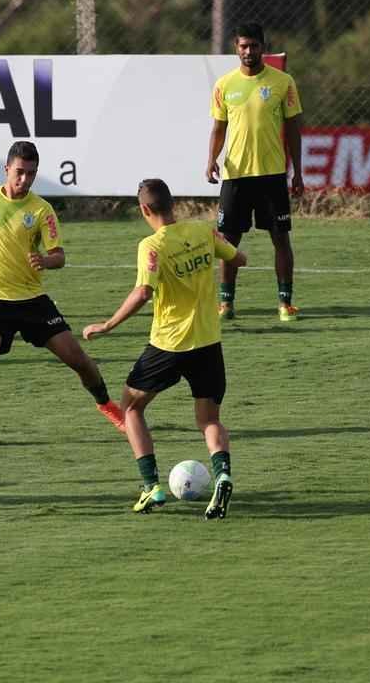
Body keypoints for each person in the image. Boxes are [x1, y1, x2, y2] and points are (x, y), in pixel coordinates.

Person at [83, 179, 247, 519]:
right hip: (208, 344)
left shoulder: (151, 246)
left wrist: (108, 324)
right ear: (173, 204)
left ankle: (151, 487)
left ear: (144, 209)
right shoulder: (203, 231)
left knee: (130, 408)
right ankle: (223, 475)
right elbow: (238, 257)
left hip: (169, 345)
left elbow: (143, 292)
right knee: (209, 420)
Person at [0, 140, 126, 449]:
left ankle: (108, 406)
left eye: (31, 174)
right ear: (6, 169)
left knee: (77, 359)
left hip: (32, 299)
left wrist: (45, 260)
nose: (24, 180)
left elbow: (60, 256)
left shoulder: (41, 210)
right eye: (19, 172)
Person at [207, 22, 303, 322]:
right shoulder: (224, 85)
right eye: (243, 46)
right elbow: (218, 128)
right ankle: (226, 304)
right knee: (227, 242)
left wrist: (297, 171)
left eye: (254, 46)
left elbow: (294, 130)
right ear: (236, 48)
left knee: (280, 239)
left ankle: (285, 303)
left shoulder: (283, 82)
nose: (248, 51)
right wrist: (211, 159)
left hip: (272, 175)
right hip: (235, 175)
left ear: (264, 47)